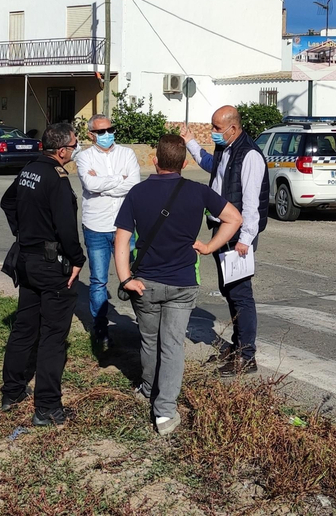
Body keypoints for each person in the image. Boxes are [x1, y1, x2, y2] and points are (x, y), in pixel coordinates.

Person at [115, 134, 243, 435]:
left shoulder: (137, 193)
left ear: (155, 160)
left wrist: (126, 279)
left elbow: (121, 240)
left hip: (144, 282)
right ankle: (165, 412)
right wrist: (210, 247)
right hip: (183, 283)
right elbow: (234, 218)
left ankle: (148, 388)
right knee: (172, 345)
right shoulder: (198, 192)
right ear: (185, 163)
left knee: (149, 340)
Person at [0, 122, 84, 425]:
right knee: (52, 336)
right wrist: (77, 258)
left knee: (24, 327)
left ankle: (12, 392)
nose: (76, 149)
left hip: (27, 260)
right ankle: (47, 408)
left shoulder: (29, 169)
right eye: (74, 145)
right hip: (51, 264)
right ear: (61, 151)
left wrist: (23, 232)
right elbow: (66, 227)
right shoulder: (57, 178)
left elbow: (8, 202)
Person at [183, 105, 270, 376]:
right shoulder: (226, 148)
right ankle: (237, 345)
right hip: (222, 229)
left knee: (241, 294)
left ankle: (246, 355)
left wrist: (245, 239)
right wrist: (191, 143)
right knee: (229, 290)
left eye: (217, 129)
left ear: (233, 128)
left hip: (238, 235)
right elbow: (212, 166)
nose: (214, 133)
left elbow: (252, 203)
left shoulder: (250, 156)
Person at [74, 113, 142, 351]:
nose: (107, 135)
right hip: (96, 226)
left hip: (124, 226)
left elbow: (134, 184)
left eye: (110, 129)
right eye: (101, 132)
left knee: (133, 277)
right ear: (91, 134)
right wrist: (118, 179)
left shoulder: (127, 154)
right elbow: (90, 185)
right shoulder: (84, 157)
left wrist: (105, 182)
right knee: (98, 280)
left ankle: (143, 327)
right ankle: (100, 329)